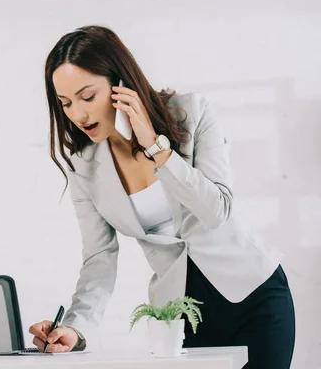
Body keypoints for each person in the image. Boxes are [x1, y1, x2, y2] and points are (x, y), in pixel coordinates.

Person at [28, 25, 295, 368]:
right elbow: (99, 259)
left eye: (87, 96)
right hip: (180, 318)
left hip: (254, 296)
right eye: (65, 103)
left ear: (120, 84)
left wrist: (156, 145)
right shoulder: (85, 166)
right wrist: (76, 329)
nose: (77, 114)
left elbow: (217, 211)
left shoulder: (192, 113)